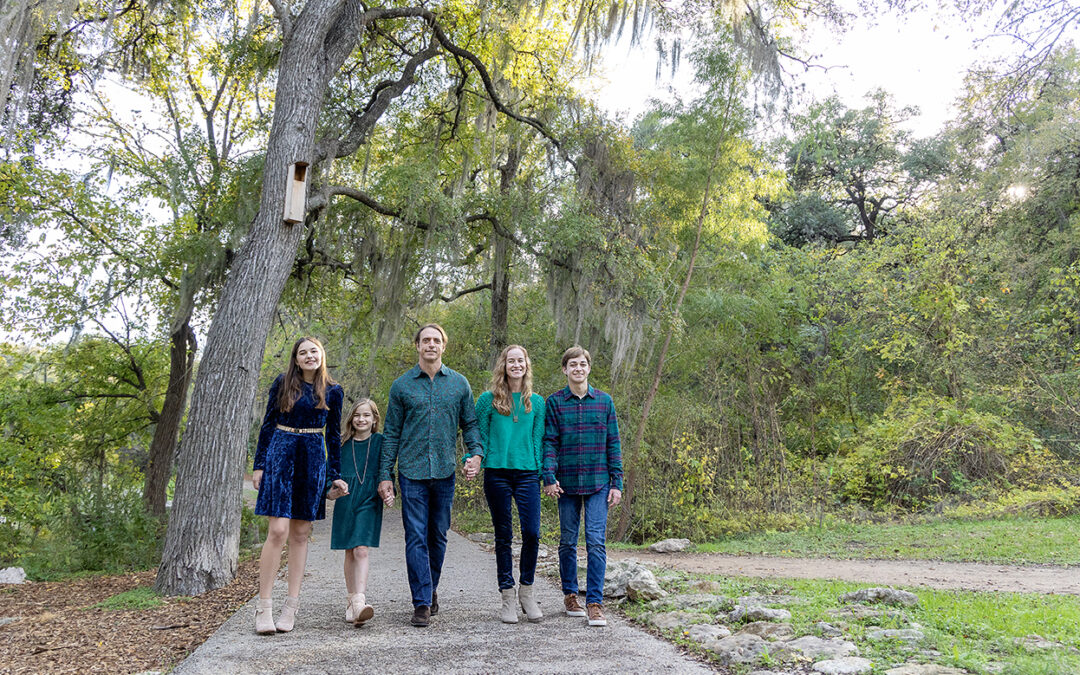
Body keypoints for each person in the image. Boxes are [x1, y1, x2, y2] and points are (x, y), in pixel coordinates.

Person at [377, 323, 483, 627]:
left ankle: (430, 587)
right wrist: (386, 474)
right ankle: (421, 601)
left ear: (443, 347)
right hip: (411, 472)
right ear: (417, 346)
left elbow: (471, 425)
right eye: (426, 340)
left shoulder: (459, 384)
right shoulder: (402, 386)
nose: (431, 345)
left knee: (438, 535)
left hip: (445, 471)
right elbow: (392, 434)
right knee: (415, 537)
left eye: (437, 340)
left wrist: (475, 454)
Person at [252, 337, 347, 635]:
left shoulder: (333, 390)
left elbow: (333, 436)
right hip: (281, 452)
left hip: (313, 455)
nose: (309, 356)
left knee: (301, 533)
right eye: (303, 352)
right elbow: (267, 424)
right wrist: (259, 465)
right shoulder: (282, 383)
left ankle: (290, 607)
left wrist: (335, 475)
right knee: (278, 530)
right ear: (295, 358)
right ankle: (263, 606)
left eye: (314, 352)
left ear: (321, 355)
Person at [542, 345, 623, 628]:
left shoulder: (604, 402)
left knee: (596, 541)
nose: (578, 369)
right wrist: (549, 477)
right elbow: (550, 442)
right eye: (572, 365)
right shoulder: (554, 403)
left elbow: (613, 444)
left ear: (589, 368)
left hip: (599, 482)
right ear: (565, 370)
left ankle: (595, 603)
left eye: (582, 364)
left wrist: (617, 483)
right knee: (567, 540)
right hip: (566, 483)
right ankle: (570, 595)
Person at [469, 344, 545, 624]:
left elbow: (539, 440)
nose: (516, 365)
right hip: (497, 473)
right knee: (503, 536)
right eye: (511, 360)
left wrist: (543, 473)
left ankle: (527, 592)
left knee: (532, 533)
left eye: (521, 360)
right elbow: (476, 435)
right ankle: (507, 598)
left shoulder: (536, 402)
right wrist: (473, 458)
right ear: (503, 365)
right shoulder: (487, 400)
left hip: (527, 474)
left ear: (526, 365)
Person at [327, 398, 386, 627]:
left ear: (374, 420)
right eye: (357, 415)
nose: (361, 419)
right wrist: (331, 492)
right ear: (351, 419)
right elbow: (329, 474)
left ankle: (360, 601)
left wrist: (388, 490)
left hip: (369, 498)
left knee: (361, 548)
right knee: (350, 551)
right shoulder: (341, 443)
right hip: (346, 498)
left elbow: (386, 470)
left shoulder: (381, 442)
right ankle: (351, 601)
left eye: (367, 415)